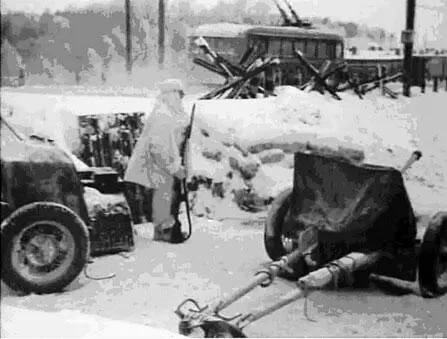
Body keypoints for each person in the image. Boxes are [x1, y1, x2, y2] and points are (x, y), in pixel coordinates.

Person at [124, 78, 190, 242]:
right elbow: (159, 148)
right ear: (172, 95)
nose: (181, 99)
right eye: (179, 95)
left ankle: (166, 231)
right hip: (160, 168)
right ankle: (164, 233)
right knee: (164, 200)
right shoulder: (163, 115)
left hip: (161, 168)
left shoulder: (165, 113)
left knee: (166, 199)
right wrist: (174, 168)